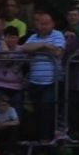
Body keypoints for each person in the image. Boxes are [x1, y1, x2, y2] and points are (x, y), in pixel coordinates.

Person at [19, 11, 65, 146]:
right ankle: (38, 141)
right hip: (34, 81)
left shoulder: (58, 35)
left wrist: (37, 49)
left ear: (52, 24)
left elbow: (58, 52)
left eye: (46, 23)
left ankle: (45, 141)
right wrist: (44, 46)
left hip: (51, 81)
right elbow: (24, 48)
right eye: (41, 23)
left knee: (47, 109)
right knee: (36, 111)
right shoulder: (33, 37)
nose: (43, 26)